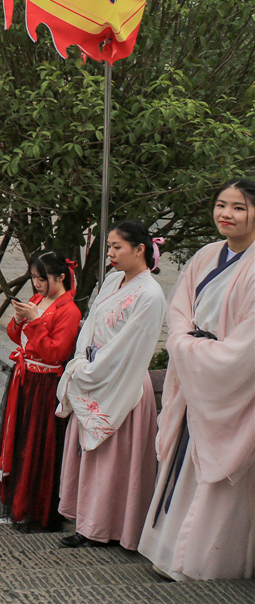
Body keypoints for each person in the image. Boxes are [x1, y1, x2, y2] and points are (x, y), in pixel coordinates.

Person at [139, 179, 255, 580]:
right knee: (184, 463)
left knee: (218, 472)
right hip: (196, 374)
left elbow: (247, 345)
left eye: (238, 207)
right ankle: (167, 552)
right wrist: (183, 341)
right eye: (221, 204)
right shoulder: (207, 254)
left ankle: (205, 562)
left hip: (228, 386)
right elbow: (179, 306)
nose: (226, 214)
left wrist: (191, 350)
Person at [57, 219, 167, 552]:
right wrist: (80, 363)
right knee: (93, 456)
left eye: (117, 247)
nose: (111, 253)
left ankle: (113, 527)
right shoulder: (114, 280)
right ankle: (88, 523)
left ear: (140, 250)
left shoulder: (150, 294)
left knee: (116, 461)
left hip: (124, 380)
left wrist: (90, 372)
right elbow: (89, 325)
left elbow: (131, 347)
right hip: (93, 373)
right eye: (109, 247)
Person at [0, 251, 80, 529]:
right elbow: (17, 336)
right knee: (16, 438)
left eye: (42, 278)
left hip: (45, 384)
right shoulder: (38, 300)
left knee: (36, 444)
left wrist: (35, 321)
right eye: (34, 278)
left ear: (61, 277)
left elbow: (56, 353)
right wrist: (18, 320)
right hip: (25, 376)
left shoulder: (70, 310)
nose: (36, 284)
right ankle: (14, 503)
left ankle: (33, 509)